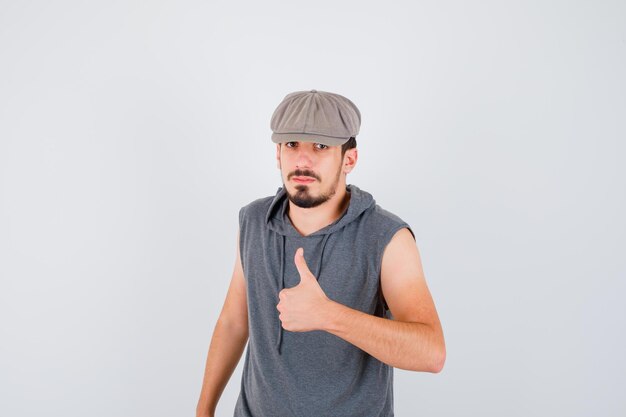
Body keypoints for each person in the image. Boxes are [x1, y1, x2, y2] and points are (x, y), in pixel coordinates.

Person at [196, 89, 446, 417]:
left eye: (320, 146)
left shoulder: (387, 237)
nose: (302, 160)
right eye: (292, 144)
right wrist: (204, 410)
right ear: (277, 153)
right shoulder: (254, 221)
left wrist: (328, 315)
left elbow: (431, 353)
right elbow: (233, 321)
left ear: (349, 159)